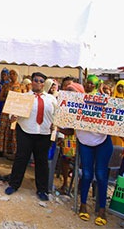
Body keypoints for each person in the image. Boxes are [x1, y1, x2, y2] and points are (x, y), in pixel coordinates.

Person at [58, 79, 112, 226]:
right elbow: (70, 130)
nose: (71, 95)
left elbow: (113, 116)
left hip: (103, 142)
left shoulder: (99, 100)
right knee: (87, 174)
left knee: (101, 175)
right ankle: (83, 204)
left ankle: (102, 209)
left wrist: (107, 97)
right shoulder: (70, 108)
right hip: (85, 143)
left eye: (73, 92)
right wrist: (57, 127)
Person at [5, 72, 57, 201]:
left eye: (41, 81)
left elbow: (57, 116)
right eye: (35, 80)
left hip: (44, 133)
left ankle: (42, 189)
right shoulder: (23, 97)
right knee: (21, 159)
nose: (38, 83)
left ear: (44, 84)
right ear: (32, 82)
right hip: (25, 131)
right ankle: (14, 184)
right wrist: (13, 117)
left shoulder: (51, 99)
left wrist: (56, 128)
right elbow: (12, 114)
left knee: (41, 162)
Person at [0, 68, 25, 159]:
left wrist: (16, 100)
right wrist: (9, 98)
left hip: (15, 110)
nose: (11, 76)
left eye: (13, 74)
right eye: (10, 74)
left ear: (17, 75)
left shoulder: (21, 86)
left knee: (13, 130)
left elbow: (25, 99)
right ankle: (1, 150)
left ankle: (12, 151)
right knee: (3, 128)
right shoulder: (6, 86)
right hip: (6, 109)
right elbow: (0, 98)